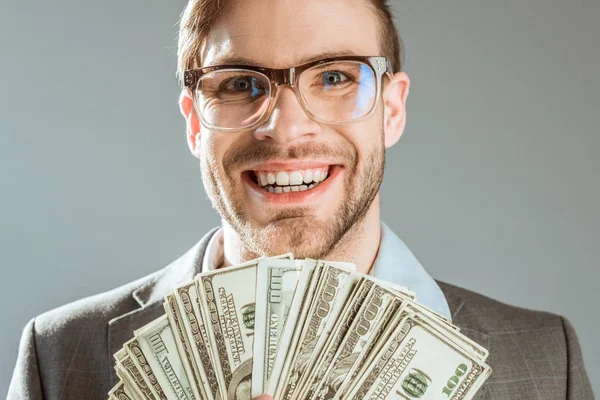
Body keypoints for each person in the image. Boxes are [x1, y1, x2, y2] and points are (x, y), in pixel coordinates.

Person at [8, 0, 594, 399]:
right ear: (193, 123)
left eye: (335, 77)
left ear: (392, 108)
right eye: (240, 83)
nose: (286, 132)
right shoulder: (59, 359)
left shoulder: (545, 364)